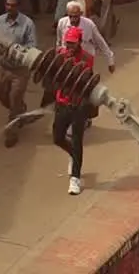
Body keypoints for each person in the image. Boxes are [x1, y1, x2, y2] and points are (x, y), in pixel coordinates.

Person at [54, 25, 95, 195]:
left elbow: (85, 80)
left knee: (77, 139)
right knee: (57, 137)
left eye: (72, 43)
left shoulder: (87, 58)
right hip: (61, 102)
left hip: (79, 105)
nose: (69, 46)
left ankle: (75, 178)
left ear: (79, 42)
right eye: (67, 43)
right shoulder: (60, 55)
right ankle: (73, 154)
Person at [0, 0, 36, 148]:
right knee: (1, 95)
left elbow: (32, 46)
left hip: (20, 71)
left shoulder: (27, 24)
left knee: (14, 98)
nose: (9, 8)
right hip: (3, 68)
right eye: (7, 5)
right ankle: (21, 112)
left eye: (13, 5)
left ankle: (11, 133)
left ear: (19, 7)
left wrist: (18, 52)